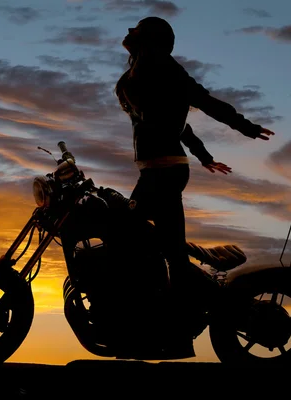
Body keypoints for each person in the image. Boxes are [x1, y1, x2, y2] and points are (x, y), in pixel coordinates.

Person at [114, 16, 274, 353]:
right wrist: (204, 157)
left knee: (156, 245)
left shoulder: (168, 72)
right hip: (154, 171)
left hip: (166, 172)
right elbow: (175, 125)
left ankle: (174, 329)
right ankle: (155, 317)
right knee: (140, 239)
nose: (130, 36)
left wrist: (245, 127)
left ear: (151, 41)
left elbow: (207, 103)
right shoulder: (137, 76)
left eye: (139, 33)